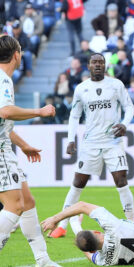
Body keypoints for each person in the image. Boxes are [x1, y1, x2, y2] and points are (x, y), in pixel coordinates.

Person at [49, 53, 134, 238]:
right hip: (91, 144)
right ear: (88, 66)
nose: (98, 65)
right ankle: (62, 225)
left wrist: (125, 124)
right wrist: (71, 139)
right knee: (78, 182)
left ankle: (132, 224)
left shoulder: (116, 85)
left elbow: (129, 107)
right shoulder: (81, 89)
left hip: (112, 142)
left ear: (105, 66)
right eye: (95, 62)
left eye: (101, 62)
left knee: (121, 180)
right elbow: (74, 115)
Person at [0, 35, 59, 267]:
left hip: (6, 147)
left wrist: (23, 145)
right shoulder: (3, 80)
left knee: (27, 201)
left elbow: (2, 121)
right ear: (17, 55)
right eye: (21, 50)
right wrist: (39, 111)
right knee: (14, 205)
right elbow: (5, 112)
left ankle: (42, 259)